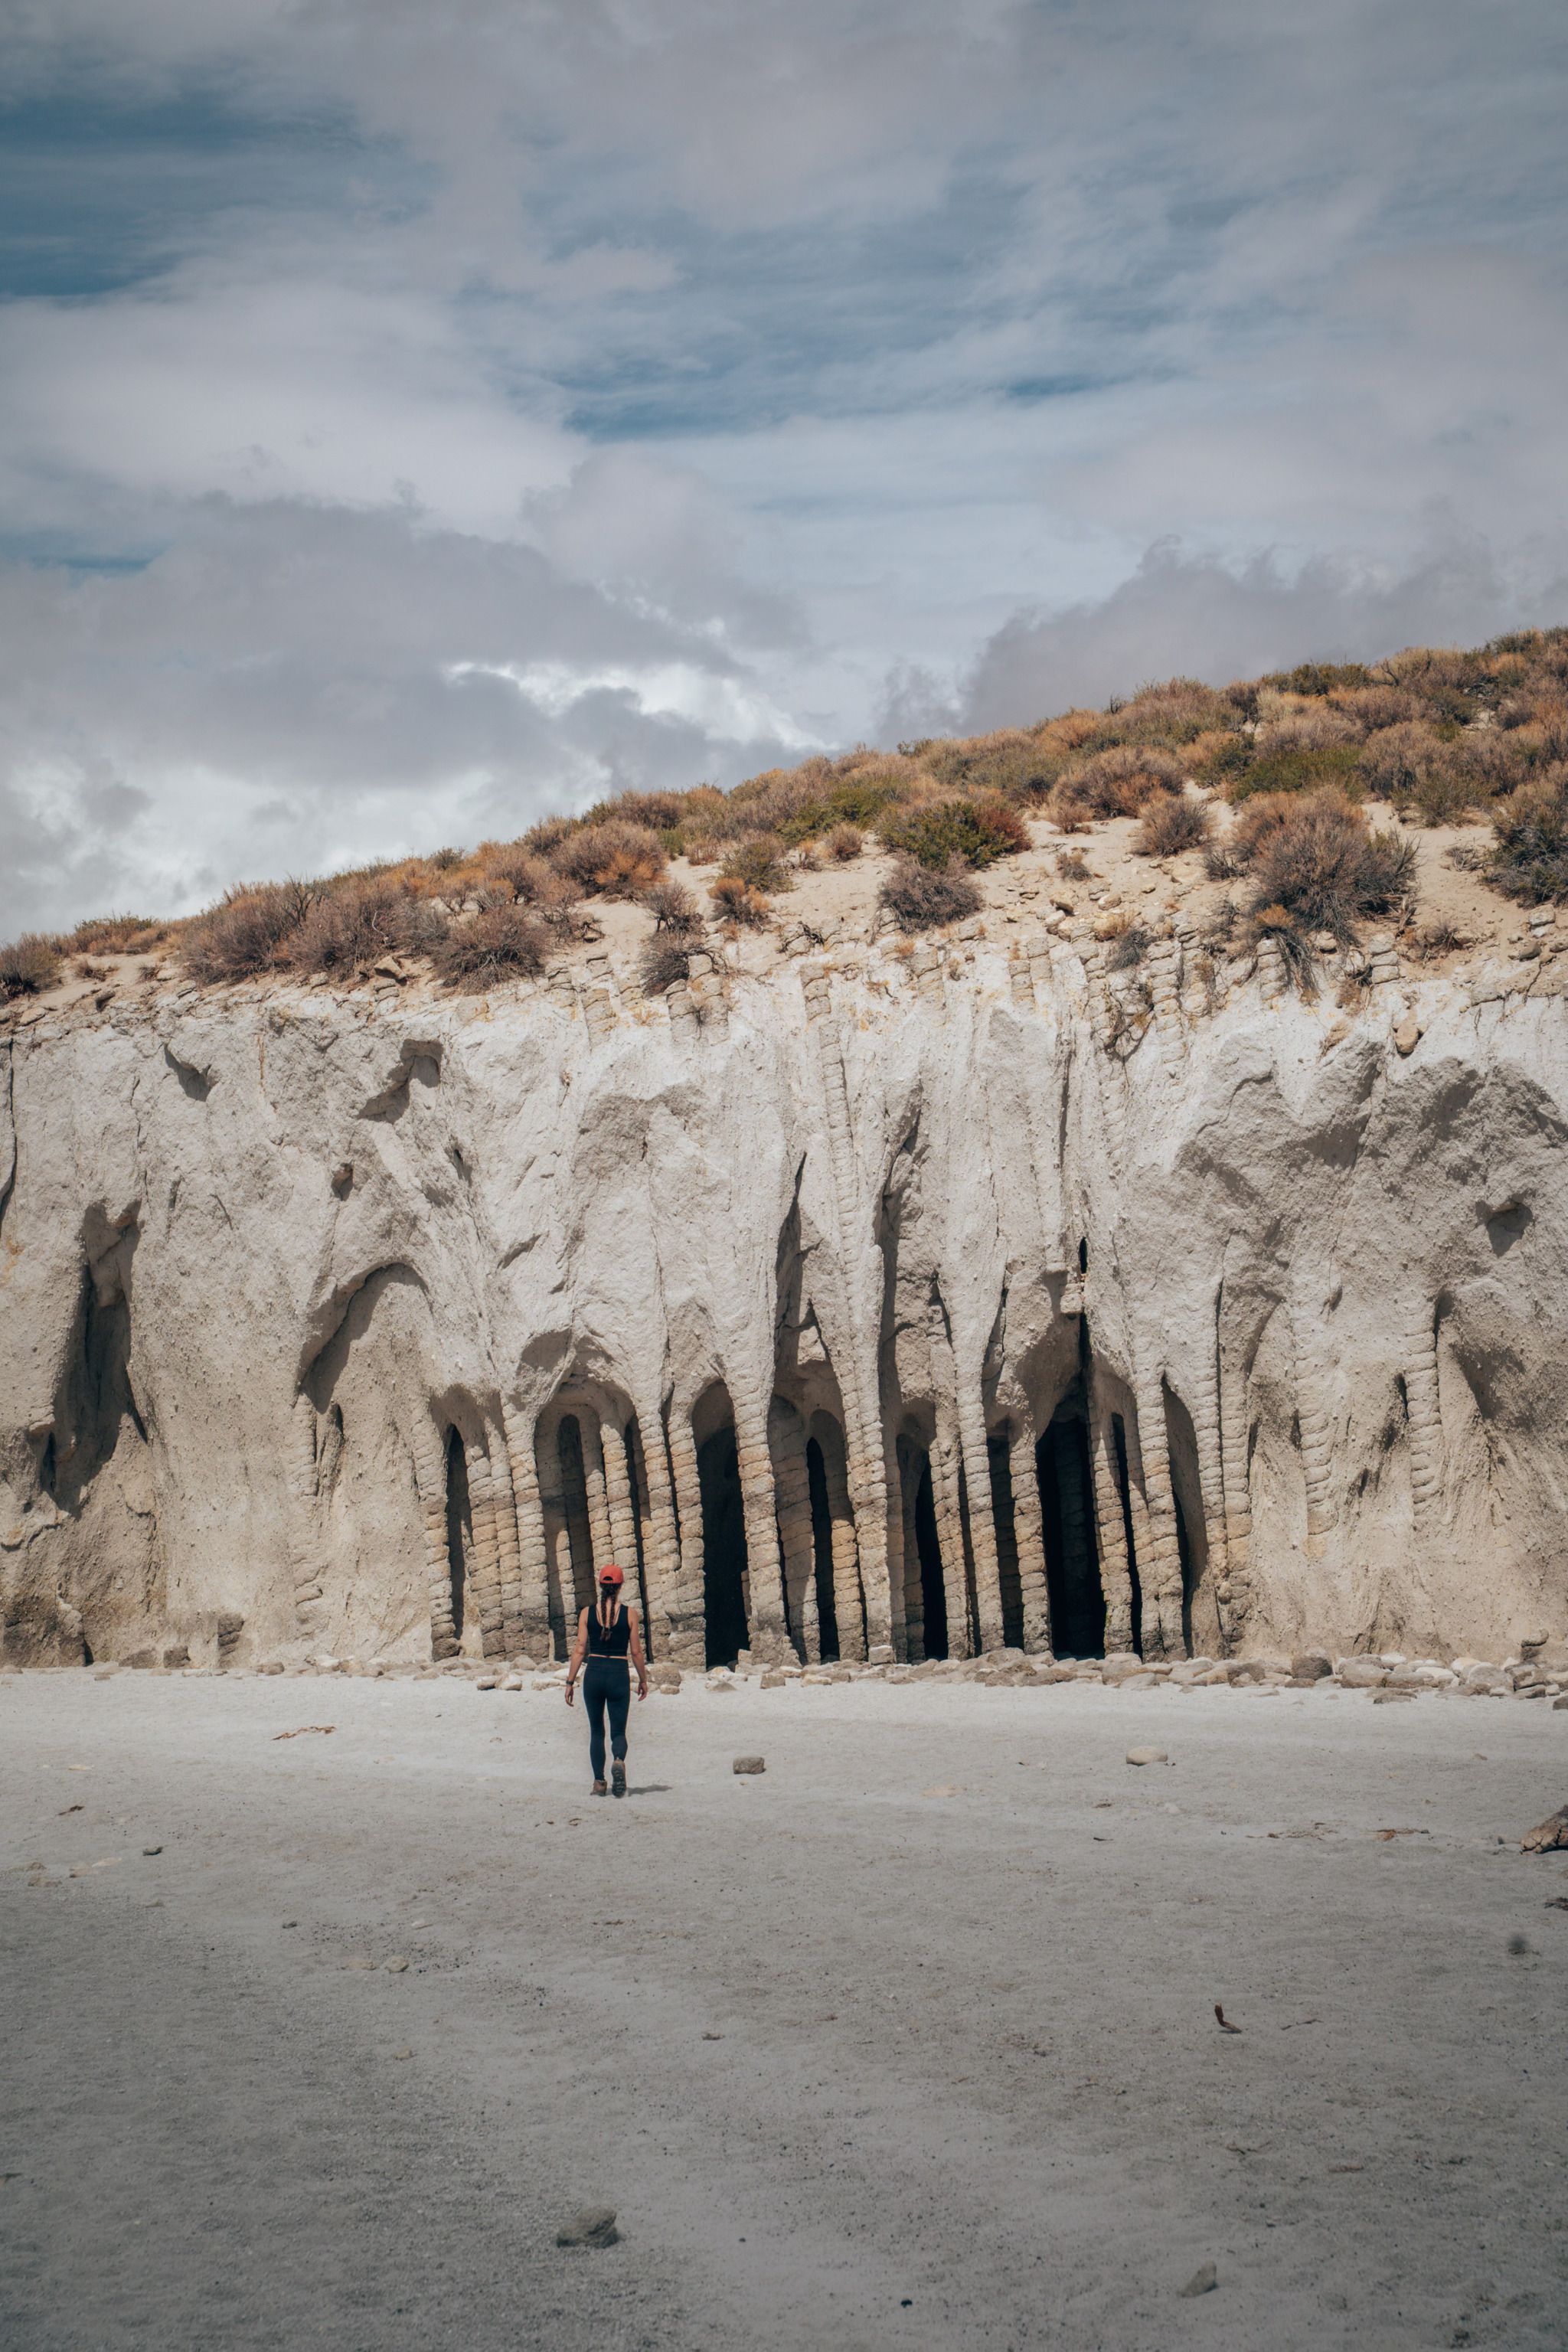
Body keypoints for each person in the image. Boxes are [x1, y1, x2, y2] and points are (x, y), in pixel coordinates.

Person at [564, 1563, 648, 1796]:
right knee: (618, 1731)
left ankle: (599, 1783)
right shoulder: (630, 1613)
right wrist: (643, 1680)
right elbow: (637, 1652)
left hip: (594, 1673)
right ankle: (619, 1760)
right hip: (618, 1673)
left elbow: (580, 1649)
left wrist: (570, 1682)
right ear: (620, 1586)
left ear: (600, 1585)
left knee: (596, 1731)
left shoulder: (586, 1613)